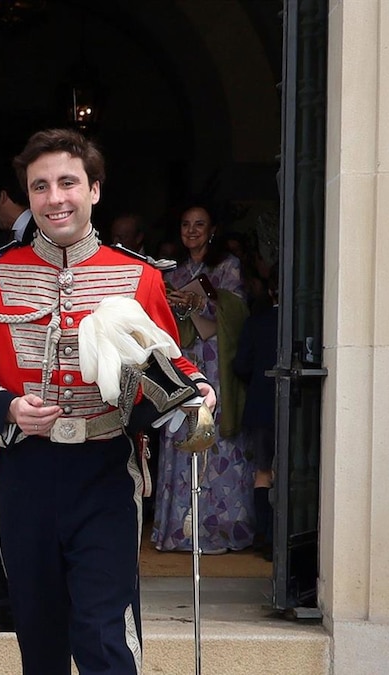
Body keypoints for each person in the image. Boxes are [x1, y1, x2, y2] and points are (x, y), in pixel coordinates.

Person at [0, 129, 215, 675]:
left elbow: (169, 371)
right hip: (25, 474)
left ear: (94, 189)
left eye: (67, 182)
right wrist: (11, 410)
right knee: (39, 643)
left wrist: (192, 393)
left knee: (104, 637)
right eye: (39, 186)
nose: (54, 197)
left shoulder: (139, 277)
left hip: (106, 473)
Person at [153, 204, 254, 554]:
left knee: (217, 439)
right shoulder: (174, 269)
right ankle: (180, 531)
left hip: (215, 366)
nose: (192, 231)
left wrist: (204, 300)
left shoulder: (227, 266)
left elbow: (239, 311)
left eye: (199, 225)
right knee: (182, 432)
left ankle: (223, 528)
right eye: (185, 224)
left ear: (213, 229)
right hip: (184, 363)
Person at [233, 265, 279, 559]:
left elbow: (241, 365)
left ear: (271, 290)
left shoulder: (256, 322)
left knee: (263, 472)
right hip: (301, 404)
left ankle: (264, 536)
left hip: (262, 403)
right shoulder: (309, 322)